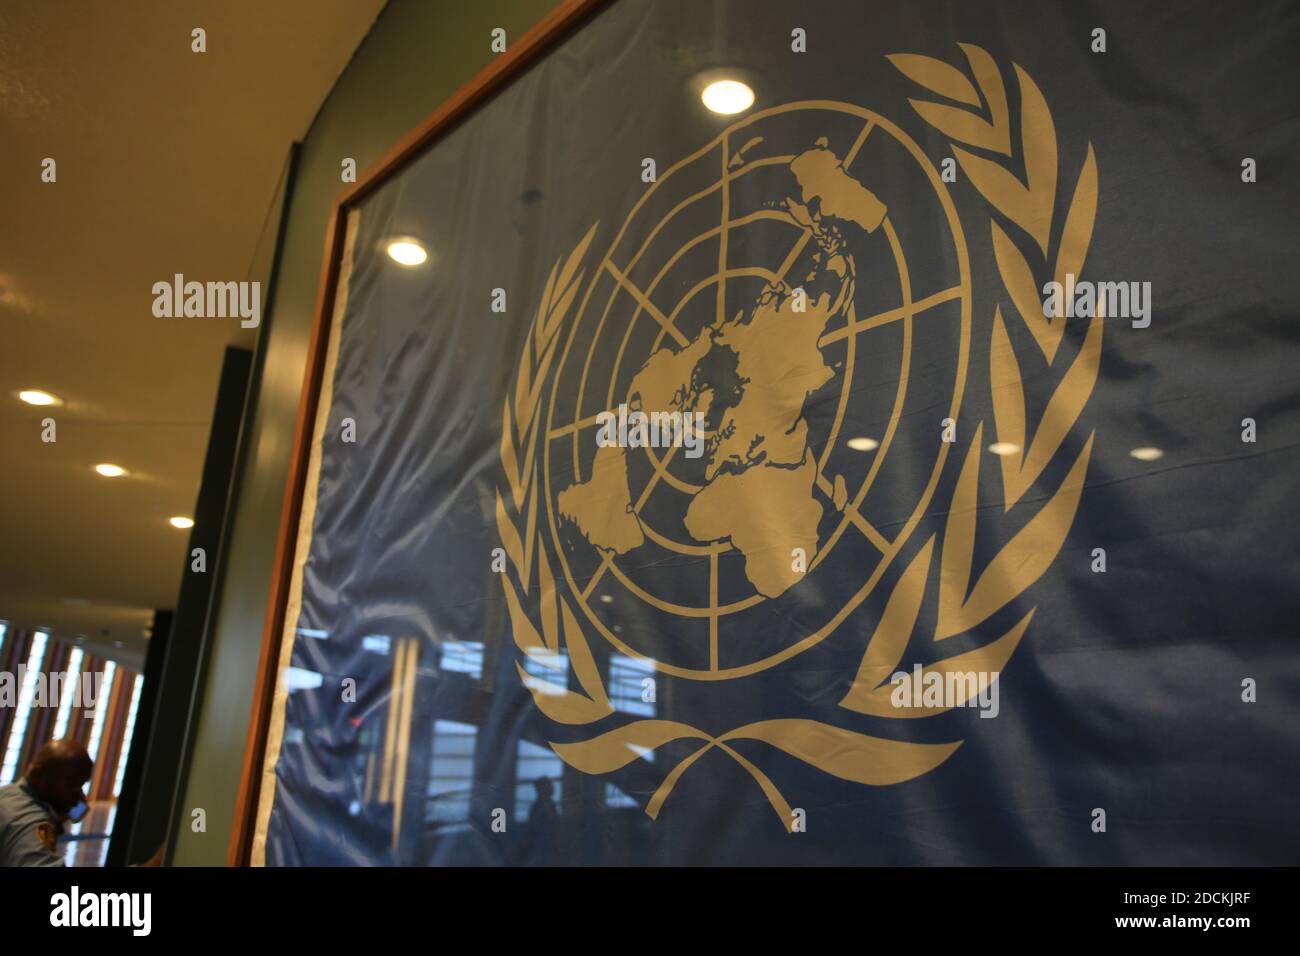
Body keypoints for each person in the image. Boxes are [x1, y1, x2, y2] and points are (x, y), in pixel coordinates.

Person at [0, 738, 93, 867]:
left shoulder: (7, 794)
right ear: (38, 774)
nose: (78, 795)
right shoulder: (30, 821)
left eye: (81, 784)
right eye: (71, 783)